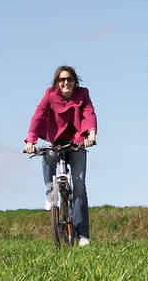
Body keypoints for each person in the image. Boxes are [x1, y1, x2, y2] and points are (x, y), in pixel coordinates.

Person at [24, 65, 97, 245]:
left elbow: (89, 113)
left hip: (77, 141)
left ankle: (82, 235)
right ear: (57, 83)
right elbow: (38, 116)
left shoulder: (83, 94)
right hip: (55, 140)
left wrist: (92, 134)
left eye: (69, 79)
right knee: (48, 155)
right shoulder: (50, 95)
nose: (66, 82)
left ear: (75, 82)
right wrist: (31, 141)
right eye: (62, 80)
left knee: (79, 186)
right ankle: (50, 193)